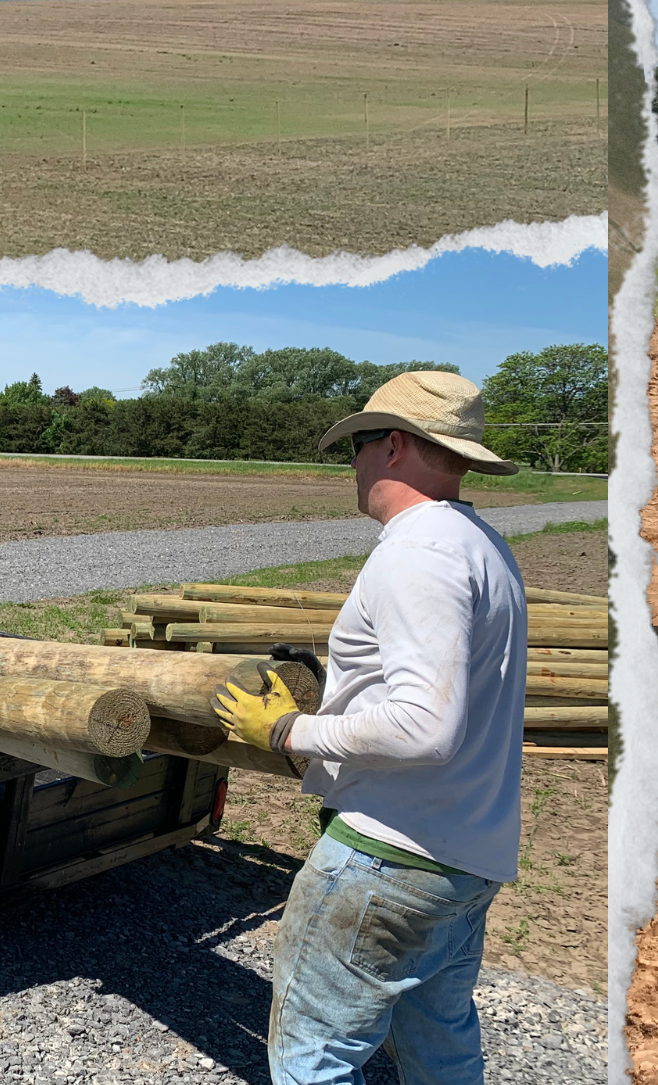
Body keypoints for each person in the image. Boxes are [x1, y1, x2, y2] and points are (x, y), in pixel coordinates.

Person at [213, 371, 528, 1085]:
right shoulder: (480, 543)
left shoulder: (417, 552)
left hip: (389, 856)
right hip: (465, 859)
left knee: (312, 1057)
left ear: (392, 446)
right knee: (437, 1043)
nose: (350, 463)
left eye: (356, 444)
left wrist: (291, 730)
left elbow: (425, 725)